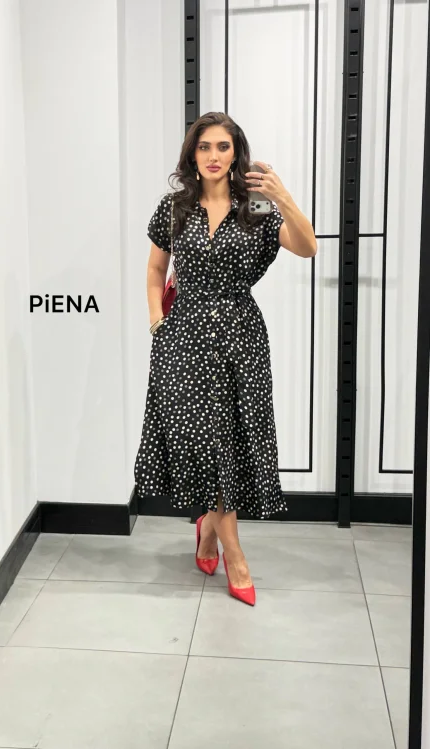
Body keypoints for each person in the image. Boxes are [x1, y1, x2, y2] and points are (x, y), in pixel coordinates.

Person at [134, 112, 317, 606]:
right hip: (184, 338)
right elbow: (155, 270)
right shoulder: (173, 207)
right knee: (202, 443)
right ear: (192, 154)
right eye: (204, 147)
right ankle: (236, 555)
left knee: (230, 441)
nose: (213, 156)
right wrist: (157, 321)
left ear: (236, 154)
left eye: (223, 147)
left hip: (240, 338)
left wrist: (283, 197)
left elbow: (307, 247)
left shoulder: (257, 206)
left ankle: (209, 533)